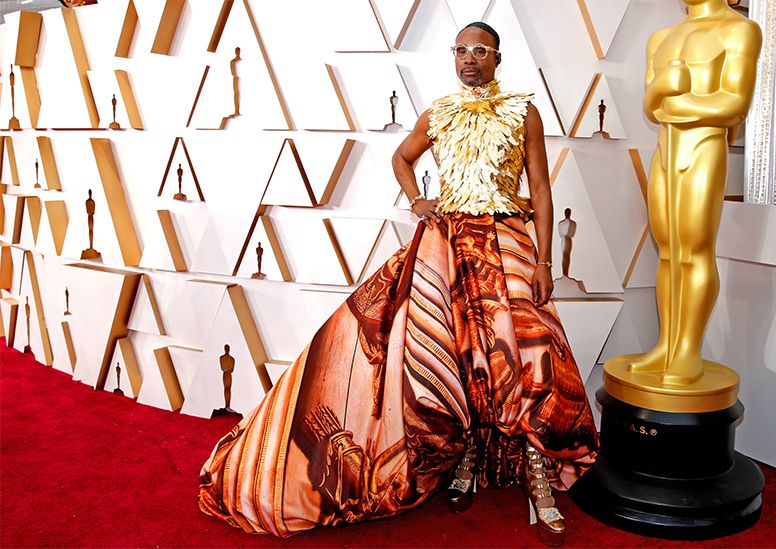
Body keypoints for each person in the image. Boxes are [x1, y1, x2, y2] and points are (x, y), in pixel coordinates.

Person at [197, 21, 598, 545]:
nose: (468, 59)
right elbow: (400, 157)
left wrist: (545, 261)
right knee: (454, 355)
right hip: (447, 244)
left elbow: (542, 190)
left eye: (479, 51)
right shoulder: (438, 113)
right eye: (460, 51)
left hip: (506, 238)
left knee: (527, 353)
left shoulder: (524, 111)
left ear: (498, 57)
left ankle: (538, 475)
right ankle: (468, 455)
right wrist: (416, 199)